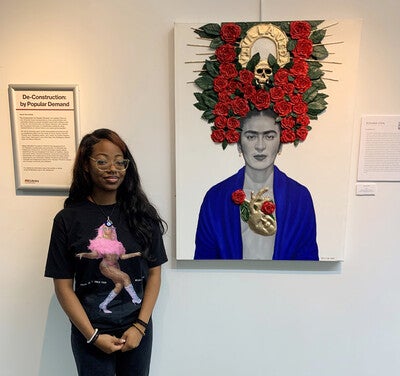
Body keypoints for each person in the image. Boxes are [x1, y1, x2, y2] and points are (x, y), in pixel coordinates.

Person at [45, 128, 168, 376]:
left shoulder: (143, 216)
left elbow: (154, 275)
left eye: (119, 161)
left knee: (121, 283)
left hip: (137, 331)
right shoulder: (67, 220)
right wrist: (92, 336)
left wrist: (140, 326)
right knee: (120, 282)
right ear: (86, 166)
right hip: (90, 332)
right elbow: (63, 287)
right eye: (102, 161)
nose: (112, 168)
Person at [194, 109, 318, 260]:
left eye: (269, 136)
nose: (260, 146)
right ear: (239, 144)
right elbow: (203, 264)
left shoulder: (299, 197)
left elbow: (309, 263)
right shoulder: (216, 197)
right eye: (251, 136)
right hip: (227, 283)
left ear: (280, 145)